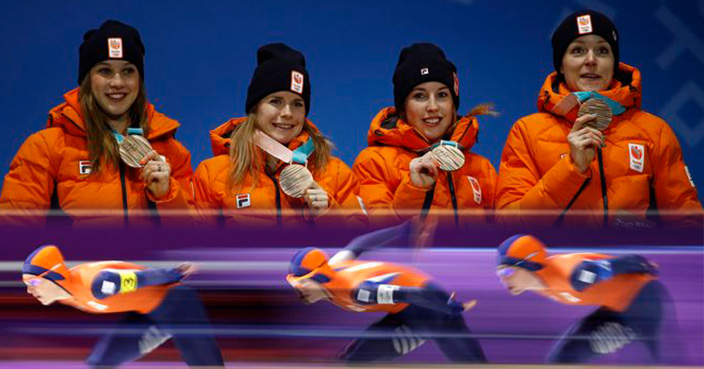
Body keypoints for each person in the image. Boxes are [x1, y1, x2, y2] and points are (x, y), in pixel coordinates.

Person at [495, 10, 702, 229]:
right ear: (561, 67)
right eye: (578, 50)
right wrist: (572, 169)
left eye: (602, 51)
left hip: (630, 262)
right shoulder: (527, 131)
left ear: (614, 64)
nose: (591, 60)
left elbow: (688, 224)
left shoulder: (654, 131)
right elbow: (509, 225)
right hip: (555, 263)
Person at [0, 20, 194, 228]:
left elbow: (193, 240)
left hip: (149, 262)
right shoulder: (46, 148)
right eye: (105, 71)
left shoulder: (172, 152)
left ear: (139, 80)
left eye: (128, 71)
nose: (117, 82)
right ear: (87, 79)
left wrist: (168, 195)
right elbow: (14, 234)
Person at [194, 43, 366, 228]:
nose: (287, 113)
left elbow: (361, 245)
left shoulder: (336, 172)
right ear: (255, 107)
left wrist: (329, 214)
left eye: (297, 104)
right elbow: (197, 245)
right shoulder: (212, 174)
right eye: (275, 101)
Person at [286, 222, 487, 362]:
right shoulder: (334, 264)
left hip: (428, 307)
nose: (298, 290)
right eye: (294, 285)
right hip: (404, 307)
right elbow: (360, 242)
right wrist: (403, 229)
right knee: (353, 360)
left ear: (319, 277)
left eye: (302, 284)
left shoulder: (356, 290)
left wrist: (448, 306)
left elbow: (407, 293)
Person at [353, 43, 497, 229]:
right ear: (403, 108)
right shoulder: (373, 162)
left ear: (454, 104)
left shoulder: (482, 168)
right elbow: (372, 237)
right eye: (420, 96)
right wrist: (414, 188)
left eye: (442, 95)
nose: (433, 107)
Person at [22, 244, 224, 368]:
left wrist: (174, 273)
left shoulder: (97, 283)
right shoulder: (64, 295)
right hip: (147, 313)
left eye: (33, 283)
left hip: (178, 305)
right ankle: (162, 329)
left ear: (54, 275)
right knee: (99, 363)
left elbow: (142, 278)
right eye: (26, 285)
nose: (30, 291)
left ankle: (168, 328)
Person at [496, 234, 685, 363]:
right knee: (561, 360)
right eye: (499, 273)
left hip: (645, 301)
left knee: (658, 361)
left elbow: (599, 267)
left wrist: (638, 263)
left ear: (529, 262)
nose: (503, 278)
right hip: (615, 309)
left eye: (508, 271)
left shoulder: (572, 274)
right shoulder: (536, 282)